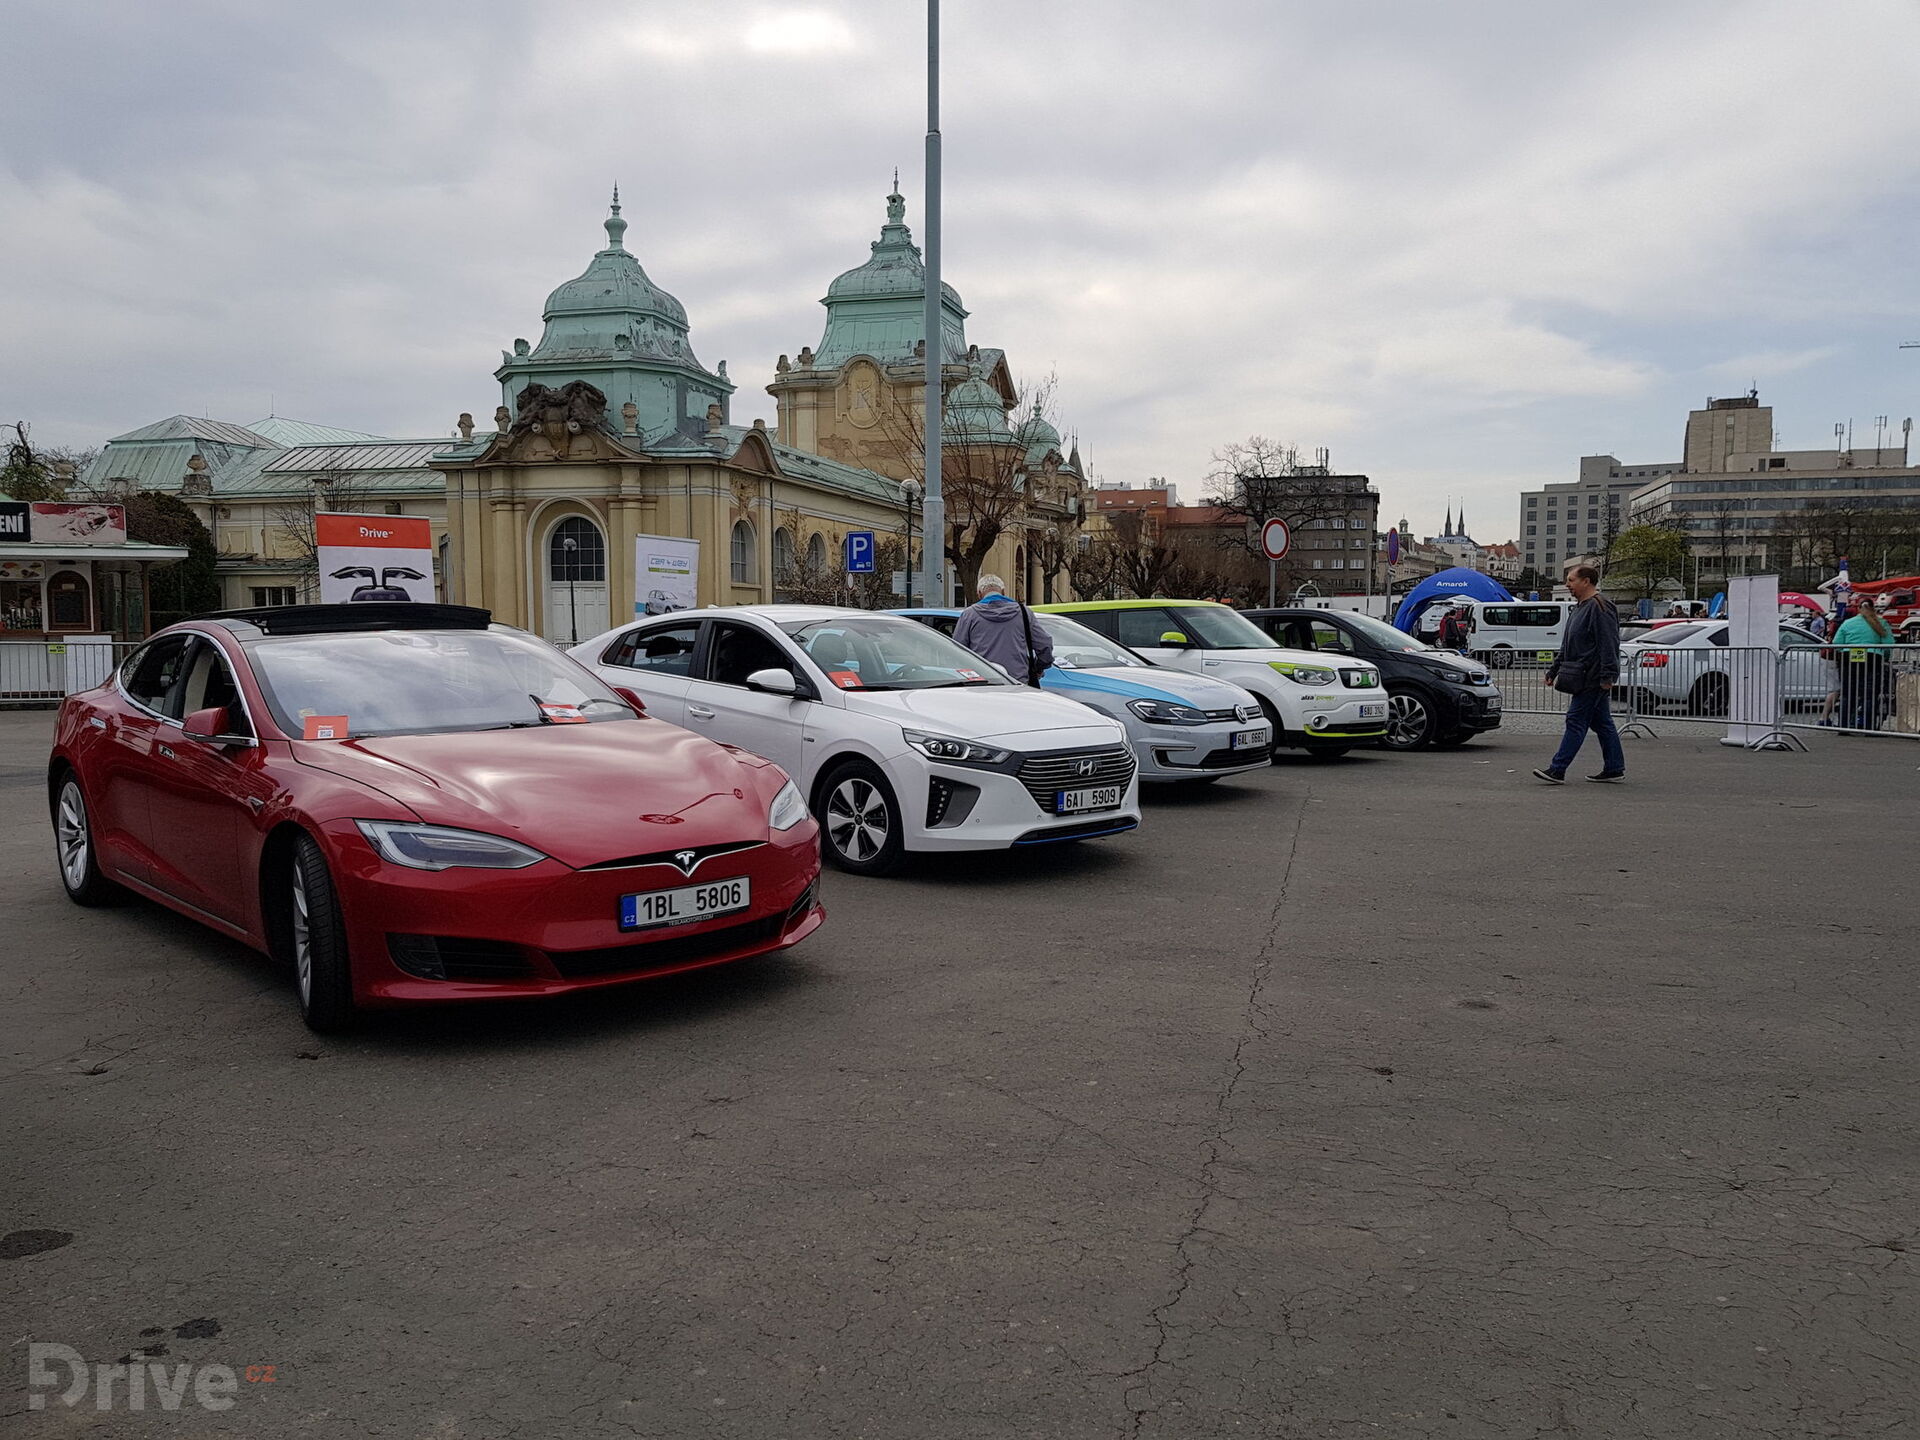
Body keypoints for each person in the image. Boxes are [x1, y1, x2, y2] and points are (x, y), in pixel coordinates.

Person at [1533, 564, 1624, 784]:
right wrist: (1554, 669)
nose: (1567, 584)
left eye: (1571, 580)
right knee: (1602, 722)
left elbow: (1609, 643)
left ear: (1586, 581)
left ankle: (1558, 769)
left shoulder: (1600, 606)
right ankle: (1614, 767)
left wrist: (1608, 676)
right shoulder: (1580, 607)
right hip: (1582, 675)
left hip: (1591, 676)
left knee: (1575, 720)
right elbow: (1568, 644)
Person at [952, 574, 1053, 686]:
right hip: (1017, 682)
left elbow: (957, 650)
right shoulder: (1024, 613)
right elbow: (1045, 644)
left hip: (981, 683)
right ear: (1003, 592)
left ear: (979, 594)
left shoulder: (969, 615)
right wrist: (1038, 667)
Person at [1831, 597, 1895, 731]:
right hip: (1873, 659)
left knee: (1848, 694)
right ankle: (1868, 727)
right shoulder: (1881, 623)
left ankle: (1843, 726)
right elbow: (1889, 644)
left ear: (1858, 608)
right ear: (1873, 608)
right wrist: (1885, 657)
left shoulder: (1848, 623)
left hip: (1849, 659)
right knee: (1870, 695)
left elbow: (1837, 643)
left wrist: (1845, 651)